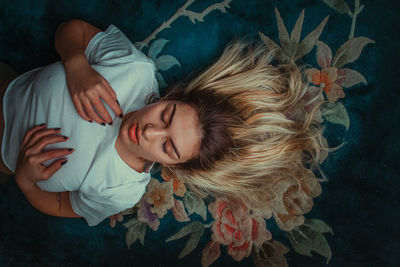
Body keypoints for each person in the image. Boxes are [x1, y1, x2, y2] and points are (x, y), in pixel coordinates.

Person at [0, 19, 327, 227]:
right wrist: (77, 64)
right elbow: (69, 31)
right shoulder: (134, 71)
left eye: (167, 146)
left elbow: (61, 204)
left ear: (177, 167)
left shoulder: (122, 190)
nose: (149, 131)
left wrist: (25, 181)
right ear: (172, 97)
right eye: (166, 115)